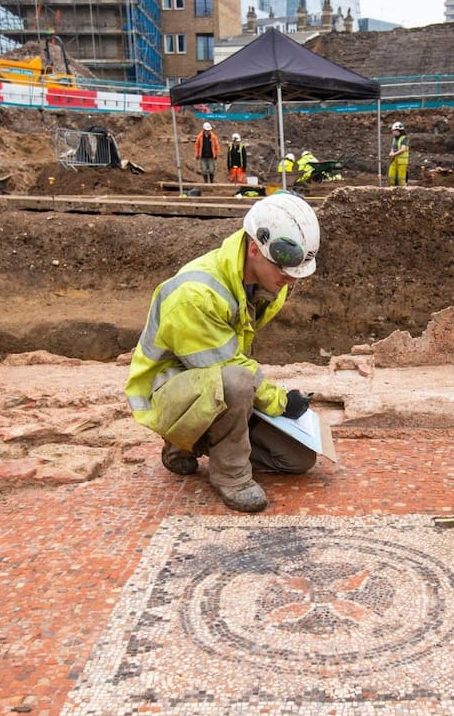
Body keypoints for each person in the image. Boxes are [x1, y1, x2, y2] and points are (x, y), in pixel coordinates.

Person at [125, 193, 321, 513]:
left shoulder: (267, 285)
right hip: (166, 394)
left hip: (212, 384)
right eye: (285, 271)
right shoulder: (195, 294)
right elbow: (230, 366)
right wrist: (280, 401)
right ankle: (229, 474)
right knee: (237, 382)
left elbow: (229, 359)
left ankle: (195, 443)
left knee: (297, 459)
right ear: (255, 249)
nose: (290, 280)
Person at [387, 121, 409, 186]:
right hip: (394, 160)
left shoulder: (404, 138)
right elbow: (393, 148)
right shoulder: (394, 139)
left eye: (393, 130)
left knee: (401, 178)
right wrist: (391, 153)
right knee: (391, 176)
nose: (393, 132)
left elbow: (403, 149)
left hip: (402, 162)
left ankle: (402, 189)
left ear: (398, 130)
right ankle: (392, 188)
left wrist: (394, 154)